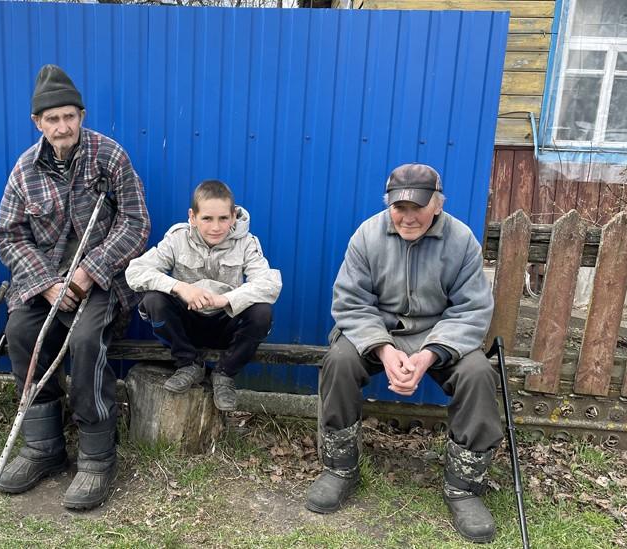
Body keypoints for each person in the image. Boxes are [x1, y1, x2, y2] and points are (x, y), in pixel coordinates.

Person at [305, 163, 500, 543]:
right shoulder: (367, 235)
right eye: (399, 208)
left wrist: (428, 354)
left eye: (418, 207)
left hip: (442, 334)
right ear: (388, 205)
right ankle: (339, 468)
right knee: (340, 361)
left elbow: (471, 309)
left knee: (478, 374)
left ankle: (464, 487)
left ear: (438, 205)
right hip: (378, 330)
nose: (408, 217)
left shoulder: (461, 241)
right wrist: (382, 347)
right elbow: (350, 301)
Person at [0, 64, 150, 510]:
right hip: (44, 282)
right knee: (20, 333)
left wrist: (89, 271)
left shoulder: (110, 156)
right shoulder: (24, 170)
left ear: (81, 115)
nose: (62, 127)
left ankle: (98, 456)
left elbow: (136, 222)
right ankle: (43, 446)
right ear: (37, 123)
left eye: (69, 116)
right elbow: (8, 235)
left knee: (85, 340)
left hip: (100, 281)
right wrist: (46, 284)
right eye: (52, 119)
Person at [124, 180, 281, 411]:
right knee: (153, 300)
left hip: (225, 325)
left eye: (223, 219)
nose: (215, 227)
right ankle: (189, 364)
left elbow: (270, 282)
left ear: (233, 217)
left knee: (262, 312)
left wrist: (227, 299)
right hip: (186, 325)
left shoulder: (247, 243)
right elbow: (135, 271)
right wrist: (181, 287)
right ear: (192, 216)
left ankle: (224, 374)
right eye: (207, 218)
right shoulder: (177, 239)